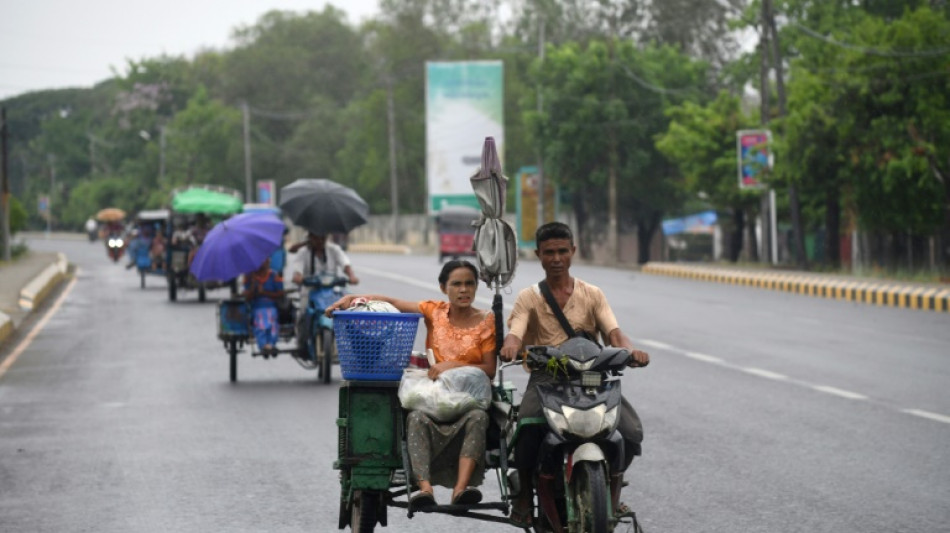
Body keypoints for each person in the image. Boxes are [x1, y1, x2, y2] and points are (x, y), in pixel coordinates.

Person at [499, 222, 650, 528]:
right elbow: (515, 332)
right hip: (546, 381)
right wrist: (511, 346)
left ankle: (612, 488)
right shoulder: (529, 297)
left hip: (591, 378)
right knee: (527, 429)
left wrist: (631, 352)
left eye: (562, 251)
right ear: (539, 255)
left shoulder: (592, 294)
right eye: (550, 252)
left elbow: (614, 332)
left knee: (630, 432)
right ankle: (525, 495)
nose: (557, 258)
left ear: (573, 252)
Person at [326, 260, 496, 507]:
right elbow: (392, 303)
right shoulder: (435, 311)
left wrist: (453, 365)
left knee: (479, 418)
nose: (463, 290)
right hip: (433, 399)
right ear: (443, 288)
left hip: (467, 401)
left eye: (469, 284)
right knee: (415, 418)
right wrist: (353, 297)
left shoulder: (486, 320)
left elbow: (490, 370)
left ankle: (461, 489)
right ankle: (424, 489)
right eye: (456, 284)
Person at [243, 257, 286, 357]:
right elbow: (247, 298)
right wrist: (253, 286)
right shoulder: (249, 277)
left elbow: (280, 294)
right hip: (256, 307)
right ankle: (264, 344)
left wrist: (265, 293)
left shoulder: (274, 275)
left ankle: (271, 344)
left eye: (265, 260)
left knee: (272, 319)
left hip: (272, 306)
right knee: (261, 319)